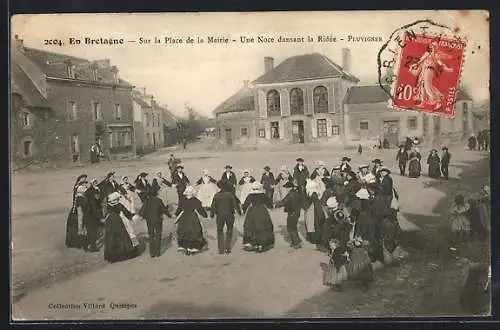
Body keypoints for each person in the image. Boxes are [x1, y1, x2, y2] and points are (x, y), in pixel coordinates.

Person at [409, 40, 454, 110]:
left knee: (427, 86)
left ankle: (438, 102)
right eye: (431, 46)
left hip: (429, 70)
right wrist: (415, 65)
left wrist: (447, 69)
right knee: (422, 86)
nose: (431, 47)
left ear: (435, 47)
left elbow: (440, 63)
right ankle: (423, 102)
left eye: (433, 46)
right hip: (424, 70)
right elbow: (420, 61)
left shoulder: (436, 55)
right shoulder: (427, 54)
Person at [103, 192, 141, 263]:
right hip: (117, 221)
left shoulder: (108, 205)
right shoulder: (118, 205)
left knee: (112, 238)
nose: (118, 199)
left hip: (110, 222)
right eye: (117, 198)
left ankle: (113, 256)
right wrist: (132, 216)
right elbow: (126, 212)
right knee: (123, 236)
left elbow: (105, 214)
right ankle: (126, 253)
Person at [174, 186, 208, 255]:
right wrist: (205, 215)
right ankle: (192, 247)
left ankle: (184, 246)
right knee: (194, 232)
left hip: (184, 217)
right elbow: (200, 210)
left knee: (184, 231)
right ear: (193, 192)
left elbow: (179, 209)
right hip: (192, 217)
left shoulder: (182, 200)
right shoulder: (195, 200)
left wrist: (175, 215)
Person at [138, 185, 172, 257]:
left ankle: (152, 253)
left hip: (149, 221)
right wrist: (170, 215)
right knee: (158, 235)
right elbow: (164, 210)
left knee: (151, 236)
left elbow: (142, 211)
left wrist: (143, 217)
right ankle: (157, 252)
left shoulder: (146, 201)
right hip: (158, 220)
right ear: (156, 193)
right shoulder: (158, 200)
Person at [241, 182, 275, 253]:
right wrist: (271, 207)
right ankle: (262, 244)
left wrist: (243, 211)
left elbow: (245, 204)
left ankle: (253, 243)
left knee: (251, 227)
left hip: (252, 211)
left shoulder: (250, 195)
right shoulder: (263, 195)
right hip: (262, 211)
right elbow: (269, 203)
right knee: (263, 226)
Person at [210, 181, 242, 254]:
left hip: (220, 215)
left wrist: (212, 214)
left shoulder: (216, 195)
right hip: (229, 215)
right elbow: (235, 205)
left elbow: (213, 206)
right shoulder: (230, 195)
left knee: (219, 231)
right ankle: (227, 248)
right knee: (229, 230)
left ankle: (221, 249)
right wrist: (239, 212)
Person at [275, 180, 303, 249]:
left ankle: (296, 243)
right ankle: (295, 242)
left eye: (287, 187)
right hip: (296, 212)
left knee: (291, 228)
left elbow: (284, 202)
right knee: (294, 227)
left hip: (292, 213)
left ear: (290, 187)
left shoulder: (291, 194)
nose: (286, 189)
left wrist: (276, 205)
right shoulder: (297, 193)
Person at [303, 179, 327, 252]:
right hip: (316, 210)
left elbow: (310, 203)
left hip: (314, 210)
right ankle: (316, 238)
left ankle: (315, 239)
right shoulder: (316, 193)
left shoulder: (312, 194)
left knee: (314, 224)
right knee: (316, 224)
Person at [65, 174, 88, 249]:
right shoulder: (79, 188)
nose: (85, 183)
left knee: (79, 226)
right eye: (84, 181)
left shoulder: (79, 187)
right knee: (80, 226)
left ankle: (79, 243)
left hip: (78, 208)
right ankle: (80, 243)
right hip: (79, 209)